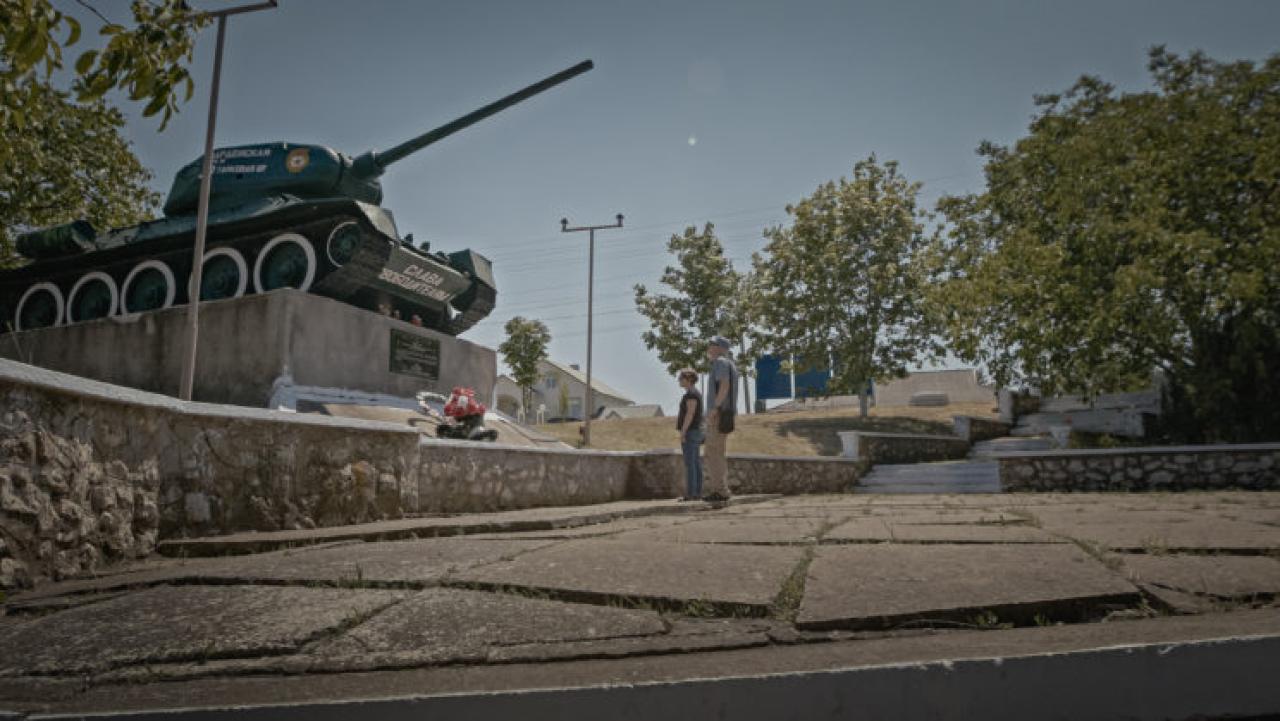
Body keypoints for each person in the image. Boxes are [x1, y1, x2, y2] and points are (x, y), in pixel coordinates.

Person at [703, 335, 738, 503]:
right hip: (725, 414)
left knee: (712, 453)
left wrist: (714, 408)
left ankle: (720, 491)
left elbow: (724, 385)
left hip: (718, 414)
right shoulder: (729, 364)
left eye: (711, 344)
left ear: (719, 347)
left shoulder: (720, 362)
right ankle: (720, 489)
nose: (708, 347)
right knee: (717, 452)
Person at [675, 367, 704, 501]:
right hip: (695, 431)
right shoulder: (695, 393)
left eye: (681, 378)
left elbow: (690, 414)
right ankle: (696, 493)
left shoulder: (691, 395)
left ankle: (691, 494)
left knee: (690, 463)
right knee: (695, 463)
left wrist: (683, 432)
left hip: (691, 432)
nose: (679, 380)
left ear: (689, 379)